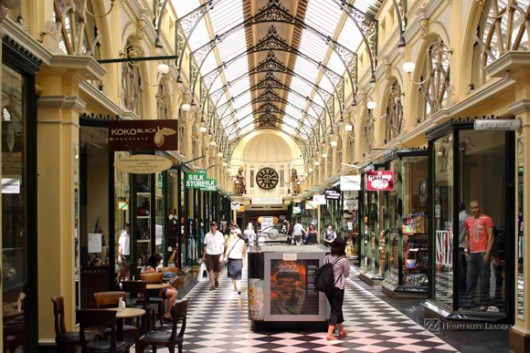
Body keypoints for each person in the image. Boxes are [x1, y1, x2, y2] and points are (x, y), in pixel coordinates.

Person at [463, 200, 494, 310]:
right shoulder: (468, 220)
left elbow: (491, 236)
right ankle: (469, 302)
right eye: (472, 208)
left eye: (476, 207)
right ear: (470, 209)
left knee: (484, 279)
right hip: (472, 253)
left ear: (479, 207)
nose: (474, 210)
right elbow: (467, 236)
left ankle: (483, 303)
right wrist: (466, 250)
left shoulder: (487, 219)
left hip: (482, 252)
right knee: (470, 279)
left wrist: (487, 253)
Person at [325, 237, 350, 341]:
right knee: (336, 310)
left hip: (327, 287)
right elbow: (347, 274)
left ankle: (341, 330)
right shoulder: (343, 260)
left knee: (336, 308)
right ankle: (329, 334)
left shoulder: (326, 257)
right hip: (338, 287)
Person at [141, 253, 179, 321]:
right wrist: (165, 285)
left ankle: (170, 309)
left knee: (173, 289)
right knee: (174, 293)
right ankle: (167, 314)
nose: (159, 262)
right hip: (152, 291)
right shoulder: (151, 269)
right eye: (159, 261)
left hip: (152, 289)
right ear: (155, 261)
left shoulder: (149, 267)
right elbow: (153, 283)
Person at [202, 221, 225, 291]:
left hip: (217, 254)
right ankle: (212, 284)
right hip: (209, 255)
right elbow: (205, 246)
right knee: (210, 270)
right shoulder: (207, 235)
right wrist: (204, 256)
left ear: (216, 227)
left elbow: (222, 245)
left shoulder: (220, 235)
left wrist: (222, 255)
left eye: (214, 226)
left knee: (218, 271)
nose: (213, 227)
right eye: (211, 226)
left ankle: (216, 279)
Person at [224, 228, 246, 294]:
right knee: (232, 274)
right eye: (232, 233)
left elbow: (243, 252)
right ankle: (235, 286)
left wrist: (244, 261)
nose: (233, 234)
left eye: (234, 233)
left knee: (238, 274)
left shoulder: (242, 241)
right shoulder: (231, 240)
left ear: (237, 233)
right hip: (231, 259)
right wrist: (225, 256)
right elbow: (228, 249)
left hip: (238, 259)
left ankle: (238, 288)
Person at [458, 202, 469, 306]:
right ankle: (466, 288)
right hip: (467, 247)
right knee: (465, 268)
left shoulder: (458, 218)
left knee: (461, 269)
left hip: (459, 245)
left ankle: (461, 289)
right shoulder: (468, 217)